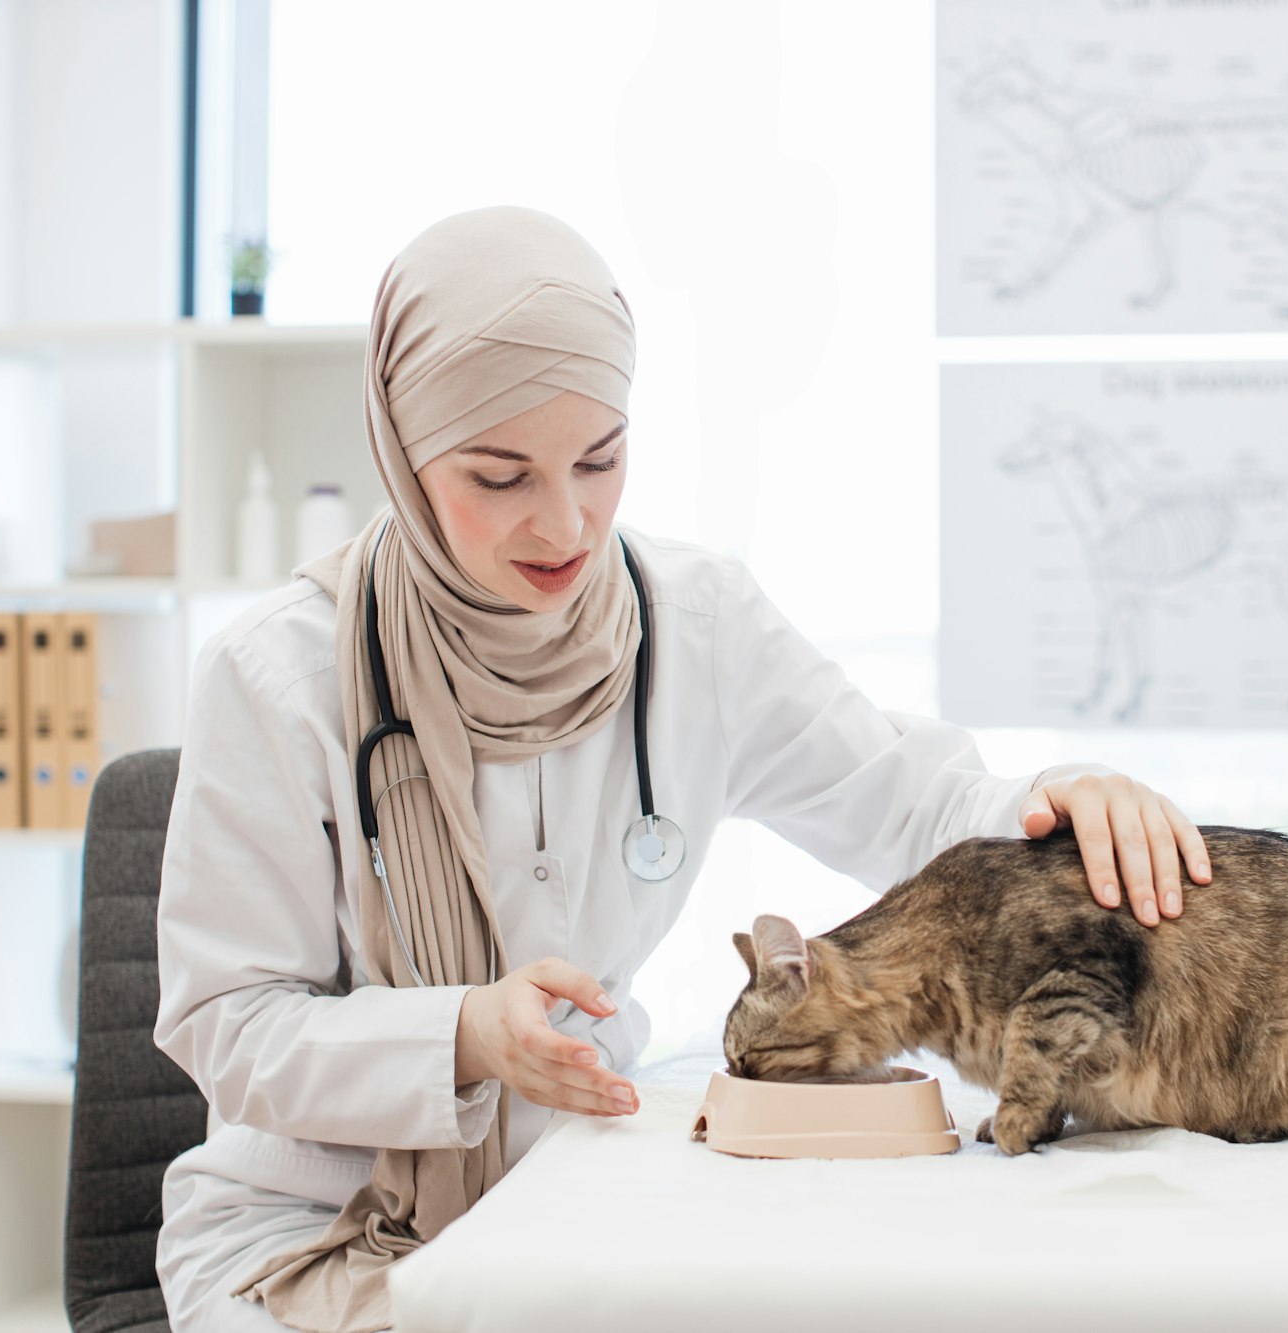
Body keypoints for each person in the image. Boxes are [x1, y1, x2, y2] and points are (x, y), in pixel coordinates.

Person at [151, 205, 1213, 1333]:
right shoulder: (276, 679)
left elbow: (919, 812)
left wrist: (1059, 800)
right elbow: (227, 1024)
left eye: (599, 457)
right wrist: (462, 1031)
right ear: (402, 458)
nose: (564, 521)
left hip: (589, 1194)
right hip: (318, 1226)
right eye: (497, 476)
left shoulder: (696, 624)